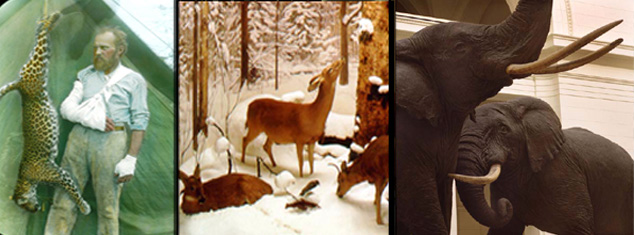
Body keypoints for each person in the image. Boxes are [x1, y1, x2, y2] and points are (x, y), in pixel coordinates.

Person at [44, 26, 149, 235]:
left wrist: (131, 159)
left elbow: (140, 120)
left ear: (120, 50)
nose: (98, 52)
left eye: (104, 48)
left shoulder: (133, 80)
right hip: (78, 138)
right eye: (95, 47)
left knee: (108, 207)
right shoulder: (85, 75)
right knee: (63, 200)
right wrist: (92, 119)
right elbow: (67, 109)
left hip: (112, 141)